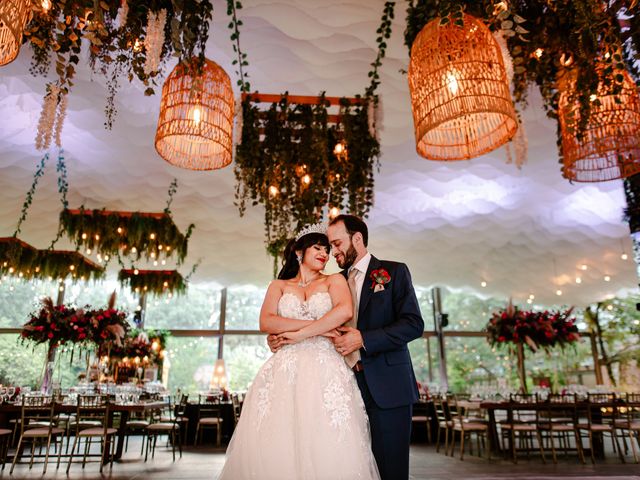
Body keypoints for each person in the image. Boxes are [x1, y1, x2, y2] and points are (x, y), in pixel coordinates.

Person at [218, 224, 380, 480]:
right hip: (284, 371)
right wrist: (321, 328)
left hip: (326, 371)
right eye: (318, 247)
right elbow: (267, 322)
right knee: (280, 440)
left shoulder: (334, 280)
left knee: (326, 438)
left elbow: (344, 312)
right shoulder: (278, 286)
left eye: (327, 249)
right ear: (298, 251)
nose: (324, 254)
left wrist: (297, 333)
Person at [271, 214, 424, 480]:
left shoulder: (394, 271)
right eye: (329, 246)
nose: (332, 252)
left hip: (388, 385)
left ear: (357, 238)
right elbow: (316, 323)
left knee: (391, 469)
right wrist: (281, 335)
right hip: (341, 385)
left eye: (337, 243)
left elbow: (413, 324)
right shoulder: (332, 281)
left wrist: (364, 338)